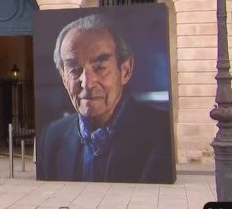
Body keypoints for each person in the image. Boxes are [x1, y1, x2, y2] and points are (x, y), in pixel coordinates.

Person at [37, 13, 175, 183]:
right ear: (63, 77)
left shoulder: (160, 133)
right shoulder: (52, 137)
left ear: (125, 70)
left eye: (100, 67)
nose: (87, 84)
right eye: (74, 70)